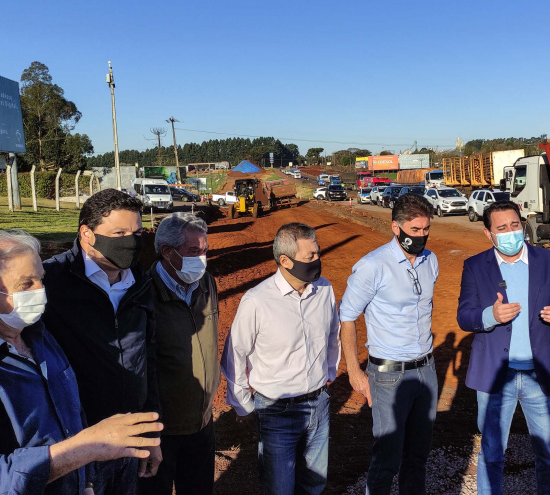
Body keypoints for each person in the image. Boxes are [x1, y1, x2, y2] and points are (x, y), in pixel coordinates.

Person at [0, 189, 161, 494]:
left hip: (115, 445)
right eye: (120, 233)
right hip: (90, 446)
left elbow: (147, 357)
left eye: (136, 233)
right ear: (87, 234)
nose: (40, 291)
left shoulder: (40, 338)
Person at [456, 200, 550, 495]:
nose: (511, 232)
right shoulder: (475, 266)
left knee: (549, 455)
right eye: (501, 228)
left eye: (515, 225)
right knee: (491, 454)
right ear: (489, 234)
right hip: (495, 377)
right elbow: (465, 315)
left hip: (539, 375)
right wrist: (490, 315)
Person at [221, 222, 340, 495]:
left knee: (314, 484)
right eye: (310, 256)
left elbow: (333, 335)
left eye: (318, 253)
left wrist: (328, 376)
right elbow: (235, 353)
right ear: (284, 260)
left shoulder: (325, 290)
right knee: (279, 488)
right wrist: (242, 404)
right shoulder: (257, 300)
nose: (317, 260)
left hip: (319, 404)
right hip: (276, 412)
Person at [340, 193, 439, 495]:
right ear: (396, 227)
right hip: (388, 376)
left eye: (425, 230)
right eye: (414, 231)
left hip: (426, 370)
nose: (421, 236)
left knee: (418, 456)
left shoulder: (430, 260)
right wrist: (355, 372)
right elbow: (347, 317)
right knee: (387, 459)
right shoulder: (373, 266)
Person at [139, 213, 220, 495]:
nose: (201, 259)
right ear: (167, 252)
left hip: (202, 423)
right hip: (161, 431)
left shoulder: (207, 283)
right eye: (193, 252)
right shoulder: (143, 294)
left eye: (205, 251)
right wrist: (149, 433)